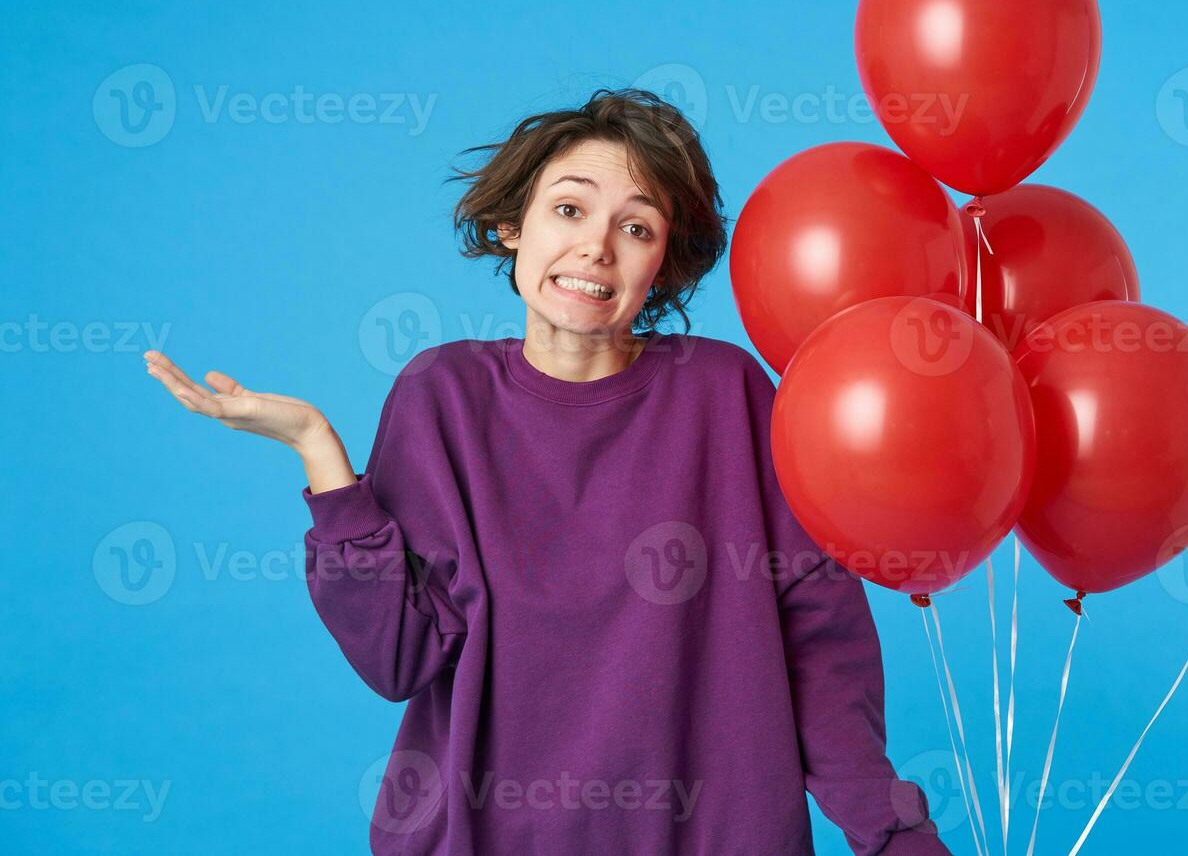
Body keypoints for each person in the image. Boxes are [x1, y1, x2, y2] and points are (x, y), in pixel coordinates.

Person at [142, 88, 950, 855]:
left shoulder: (727, 394)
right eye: (569, 209)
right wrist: (320, 453)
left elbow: (819, 639)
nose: (596, 247)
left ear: (664, 262)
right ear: (510, 227)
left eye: (637, 228)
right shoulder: (440, 397)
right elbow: (400, 659)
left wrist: (892, 831)